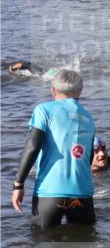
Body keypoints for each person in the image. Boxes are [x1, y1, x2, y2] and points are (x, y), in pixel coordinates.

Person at [12, 70, 97, 229]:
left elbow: (33, 146)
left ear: (53, 90)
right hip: (82, 193)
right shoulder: (88, 117)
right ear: (80, 91)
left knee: (42, 246)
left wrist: (18, 184)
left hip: (49, 192)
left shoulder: (43, 110)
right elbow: (89, 158)